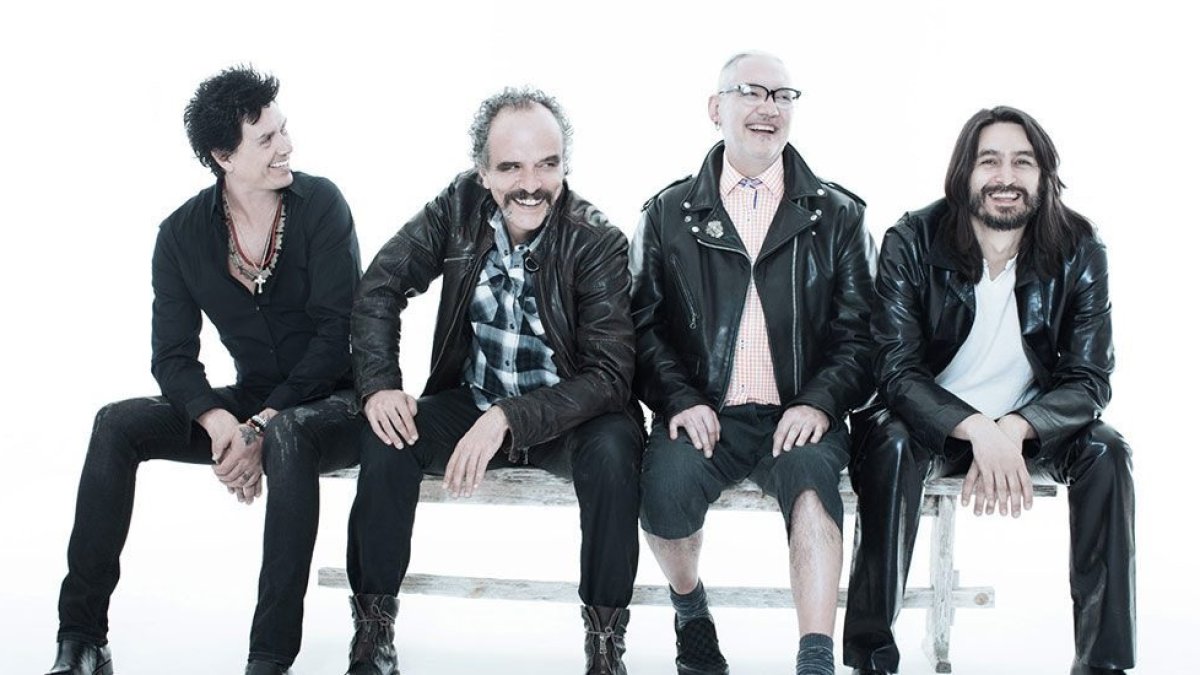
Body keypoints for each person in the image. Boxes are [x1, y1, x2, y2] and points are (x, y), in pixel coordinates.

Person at [47, 66, 363, 675]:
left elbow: (336, 337)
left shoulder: (321, 204)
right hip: (250, 401)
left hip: (335, 402)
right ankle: (81, 638)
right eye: (266, 139)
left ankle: (268, 659)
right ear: (223, 157)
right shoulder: (180, 236)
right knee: (116, 424)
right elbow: (172, 355)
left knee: (288, 432)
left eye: (283, 129)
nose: (286, 145)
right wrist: (221, 422)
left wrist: (262, 425)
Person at [343, 87, 643, 675]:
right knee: (388, 435)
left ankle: (606, 646)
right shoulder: (456, 209)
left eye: (547, 165)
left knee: (614, 453)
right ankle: (373, 633)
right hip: (477, 398)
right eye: (510, 167)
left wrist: (509, 418)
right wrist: (379, 385)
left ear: (565, 165)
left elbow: (610, 376)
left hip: (570, 415)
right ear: (482, 172)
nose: (531, 184)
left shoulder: (596, 239)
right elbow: (380, 286)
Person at [842, 106, 1135, 675]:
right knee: (890, 445)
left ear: (1044, 175)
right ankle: (871, 658)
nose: (1006, 177)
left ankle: (1102, 665)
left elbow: (1090, 378)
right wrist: (976, 427)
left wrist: (1016, 428)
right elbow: (896, 370)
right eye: (990, 161)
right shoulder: (912, 239)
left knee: (1109, 451)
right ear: (964, 173)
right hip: (927, 423)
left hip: (1028, 428)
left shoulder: (1079, 247)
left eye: (1023, 162)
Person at [630, 52, 876, 675]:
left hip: (799, 412)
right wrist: (679, 399)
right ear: (717, 109)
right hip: (705, 410)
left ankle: (816, 656)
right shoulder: (667, 214)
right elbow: (642, 327)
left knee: (814, 488)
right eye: (751, 92)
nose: (769, 107)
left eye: (783, 95)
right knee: (663, 492)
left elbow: (862, 334)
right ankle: (691, 610)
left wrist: (820, 401)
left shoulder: (839, 215)